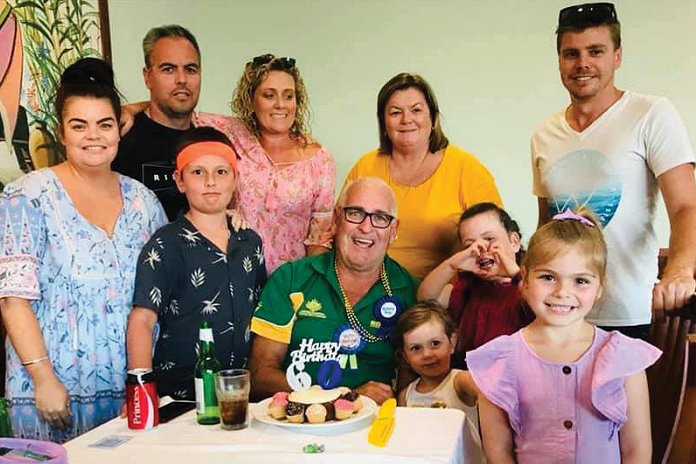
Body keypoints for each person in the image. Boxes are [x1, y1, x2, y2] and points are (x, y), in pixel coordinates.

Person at [0, 58, 166, 442]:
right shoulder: (28, 197)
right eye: (79, 125)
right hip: (52, 394)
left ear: (119, 131)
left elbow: (161, 293)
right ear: (62, 133)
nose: (94, 136)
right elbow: (13, 299)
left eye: (104, 124)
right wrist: (43, 379)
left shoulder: (143, 202)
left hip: (128, 394)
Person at [531, 2, 696, 339]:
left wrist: (679, 270)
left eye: (596, 51)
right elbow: (547, 225)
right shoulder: (543, 136)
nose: (583, 64)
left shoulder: (652, 114)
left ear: (617, 56)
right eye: (571, 54)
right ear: (559, 60)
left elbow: (685, 206)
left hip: (631, 314)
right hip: (562, 317)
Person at [467, 208, 661, 463]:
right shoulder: (499, 361)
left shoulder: (623, 358)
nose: (562, 292)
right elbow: (498, 452)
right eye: (548, 277)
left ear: (599, 287)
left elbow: (637, 451)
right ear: (524, 280)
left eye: (580, 281)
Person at [248, 177, 417, 405]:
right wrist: (342, 398)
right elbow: (260, 376)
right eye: (355, 213)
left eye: (380, 218)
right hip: (297, 422)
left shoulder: (409, 291)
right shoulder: (291, 279)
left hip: (375, 428)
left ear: (393, 230)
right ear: (336, 220)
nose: (366, 227)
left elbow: (419, 380)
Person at [127, 127, 266, 400]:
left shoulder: (250, 242)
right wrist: (141, 390)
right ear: (179, 181)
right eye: (198, 172)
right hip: (181, 395)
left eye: (221, 172)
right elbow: (142, 319)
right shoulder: (166, 244)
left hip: (241, 393)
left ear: (236, 179)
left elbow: (262, 314)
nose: (210, 181)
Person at [345, 73, 502, 279]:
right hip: (371, 291)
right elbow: (340, 231)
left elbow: (496, 244)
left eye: (416, 110)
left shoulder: (468, 169)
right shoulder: (365, 166)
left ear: (433, 118)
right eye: (395, 112)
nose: (406, 119)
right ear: (383, 122)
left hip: (442, 298)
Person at [195, 54, 335, 273]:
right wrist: (130, 111)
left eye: (289, 96)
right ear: (250, 100)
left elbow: (320, 237)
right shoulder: (233, 135)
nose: (281, 105)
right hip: (233, 276)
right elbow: (178, 113)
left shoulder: (318, 159)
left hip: (290, 285)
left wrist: (305, 288)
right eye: (269, 95)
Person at [418, 203, 530, 368]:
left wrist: (514, 273)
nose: (480, 248)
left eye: (489, 239)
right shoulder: (468, 289)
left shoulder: (527, 287)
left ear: (514, 242)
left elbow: (537, 302)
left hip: (510, 379)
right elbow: (425, 297)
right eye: (470, 245)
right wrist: (451, 265)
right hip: (466, 377)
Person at [112, 25, 202, 220]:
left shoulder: (209, 137)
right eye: (168, 69)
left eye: (190, 69)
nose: (182, 79)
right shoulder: (120, 136)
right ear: (147, 77)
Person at [394, 301, 484, 463]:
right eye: (416, 348)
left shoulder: (461, 381)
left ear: (452, 342)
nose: (427, 354)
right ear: (405, 356)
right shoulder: (405, 395)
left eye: (435, 343)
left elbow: (492, 398)